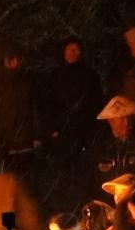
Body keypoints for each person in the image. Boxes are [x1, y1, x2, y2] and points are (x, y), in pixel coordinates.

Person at [41, 39, 104, 168]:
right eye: (70, 49)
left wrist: (91, 127)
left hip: (82, 130)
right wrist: (52, 127)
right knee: (62, 167)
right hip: (61, 131)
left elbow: (96, 102)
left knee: (81, 167)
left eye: (76, 50)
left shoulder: (89, 75)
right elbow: (49, 104)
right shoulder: (55, 75)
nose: (73, 53)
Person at [0, 42, 40, 169]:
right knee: (4, 183)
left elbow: (34, 110)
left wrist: (36, 135)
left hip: (24, 143)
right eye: (9, 58)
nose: (13, 62)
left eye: (16, 58)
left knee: (22, 183)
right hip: (2, 144)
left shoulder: (26, 82)